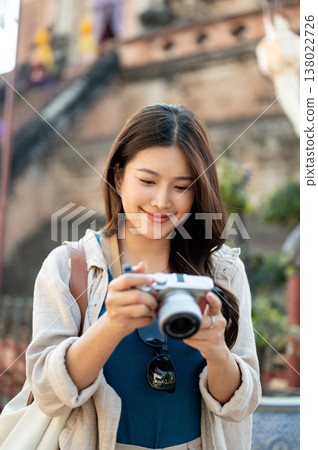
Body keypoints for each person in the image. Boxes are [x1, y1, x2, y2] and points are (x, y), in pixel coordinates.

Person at [26, 104, 261, 450]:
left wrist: (216, 351)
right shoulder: (68, 267)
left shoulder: (222, 271)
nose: (162, 201)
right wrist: (111, 326)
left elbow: (240, 405)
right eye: (148, 181)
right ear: (118, 177)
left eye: (182, 186)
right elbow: (48, 394)